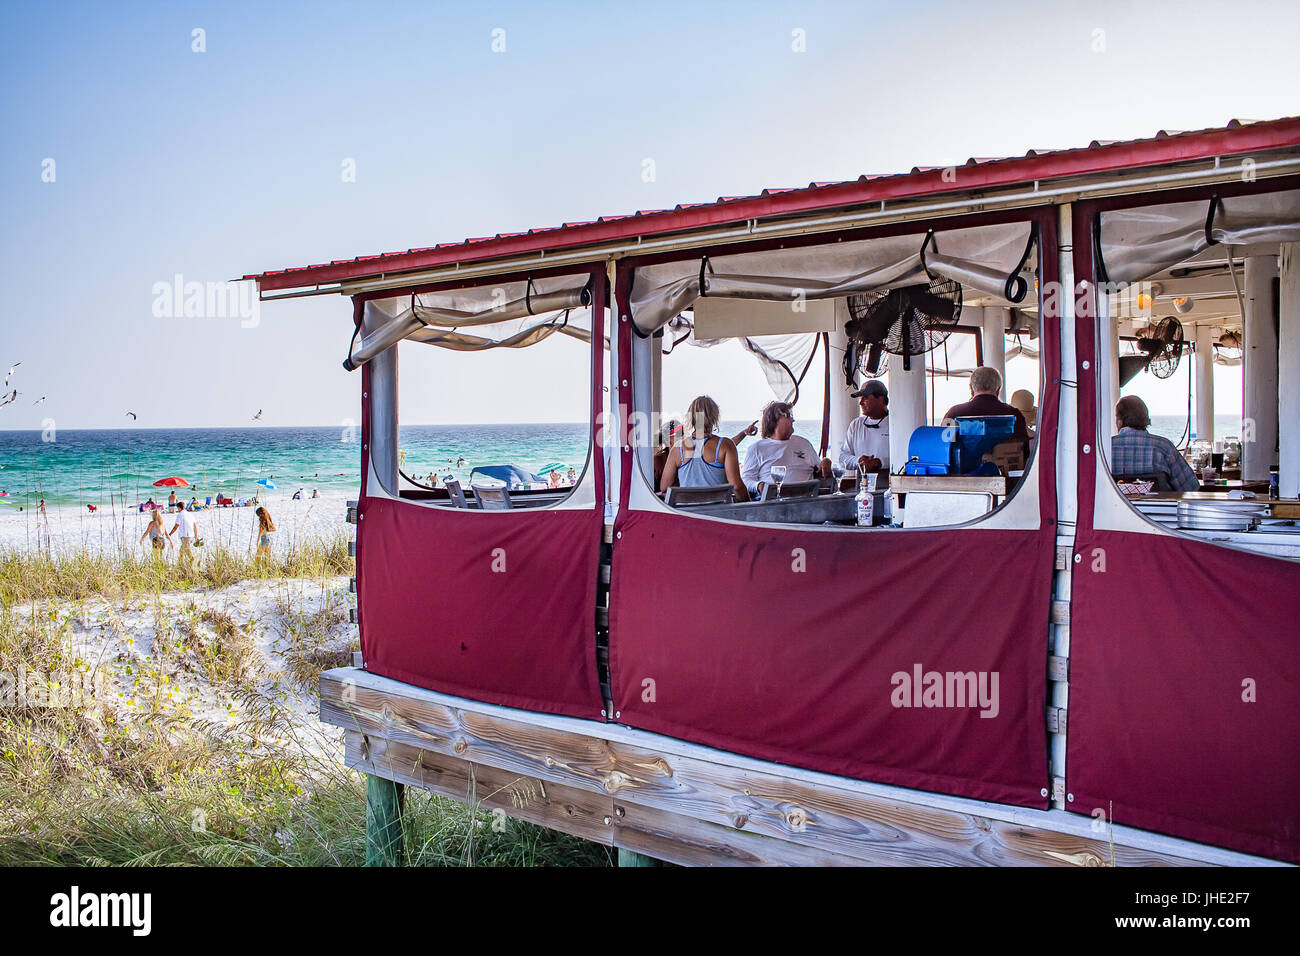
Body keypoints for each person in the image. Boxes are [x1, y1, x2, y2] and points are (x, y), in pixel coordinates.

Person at [661, 396, 750, 502]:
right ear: (714, 416)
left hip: (688, 514)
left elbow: (664, 487)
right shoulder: (725, 445)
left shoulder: (677, 449)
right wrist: (750, 507)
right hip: (719, 514)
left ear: (691, 417)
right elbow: (737, 487)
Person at [1110, 395, 1199, 491]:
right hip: (1160, 506)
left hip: (1115, 506)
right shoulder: (1163, 446)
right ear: (1146, 419)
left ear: (1119, 421)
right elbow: (1191, 487)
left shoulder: (1105, 447)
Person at [741, 401, 829, 495]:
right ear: (774, 420)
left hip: (807, 500)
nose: (793, 420)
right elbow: (746, 479)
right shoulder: (757, 448)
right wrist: (758, 485)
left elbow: (820, 466)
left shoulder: (804, 443)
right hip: (774, 503)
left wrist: (826, 461)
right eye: (788, 415)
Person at [941, 366, 1030, 458]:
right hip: (1007, 471)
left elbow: (942, 450)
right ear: (998, 389)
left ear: (971, 388)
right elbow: (1025, 453)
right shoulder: (1014, 414)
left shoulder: (954, 413)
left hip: (963, 472)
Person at [835, 379, 891, 476]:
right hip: (862, 485)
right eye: (860, 398)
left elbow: (906, 456)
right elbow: (843, 457)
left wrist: (880, 462)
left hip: (891, 483)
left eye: (865, 398)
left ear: (881, 398)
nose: (860, 403)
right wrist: (859, 460)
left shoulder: (896, 424)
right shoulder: (856, 424)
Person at [169, 502, 199, 568]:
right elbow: (195, 526)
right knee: (182, 551)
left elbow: (176, 526)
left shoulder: (180, 515)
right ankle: (180, 564)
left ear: (179, 508)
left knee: (187, 550)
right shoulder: (190, 514)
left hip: (185, 535)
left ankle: (193, 561)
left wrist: (170, 534)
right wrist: (196, 536)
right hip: (191, 535)